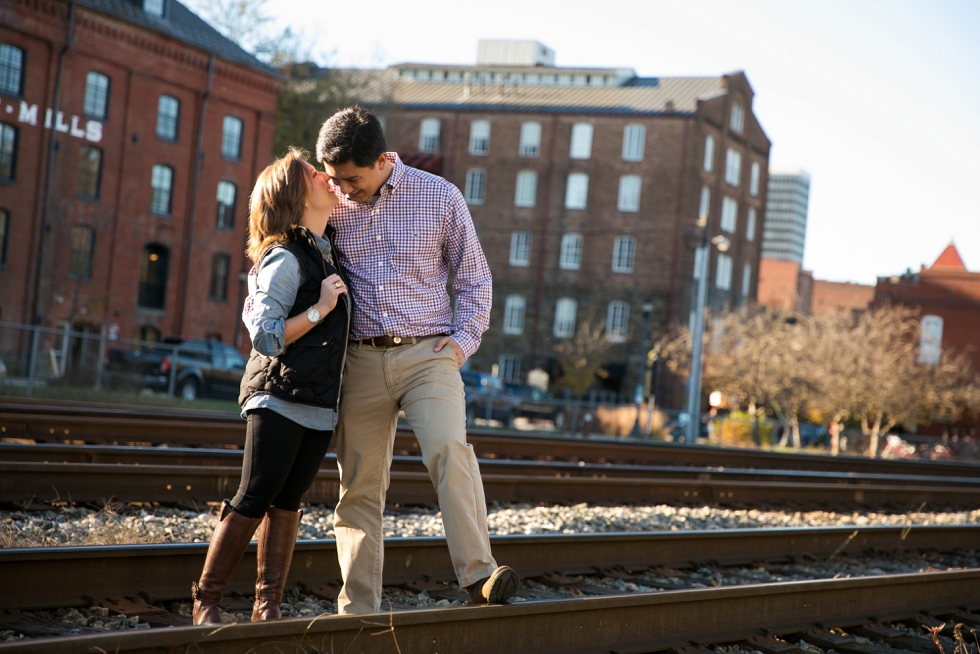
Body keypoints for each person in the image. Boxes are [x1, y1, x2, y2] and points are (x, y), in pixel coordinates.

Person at [316, 106, 519, 614]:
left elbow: (475, 277)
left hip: (429, 354)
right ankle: (358, 607)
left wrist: (463, 340)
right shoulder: (331, 202)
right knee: (358, 483)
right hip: (360, 360)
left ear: (383, 159)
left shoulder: (440, 196)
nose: (343, 188)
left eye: (352, 178)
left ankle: (480, 577)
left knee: (450, 451)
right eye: (335, 178)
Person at [190, 147, 350, 625]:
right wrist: (320, 308)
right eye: (314, 173)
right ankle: (207, 602)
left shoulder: (327, 251)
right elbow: (266, 334)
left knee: (287, 504)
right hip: (278, 399)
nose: (327, 176)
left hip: (319, 405)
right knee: (254, 497)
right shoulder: (285, 256)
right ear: (296, 194)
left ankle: (268, 608)